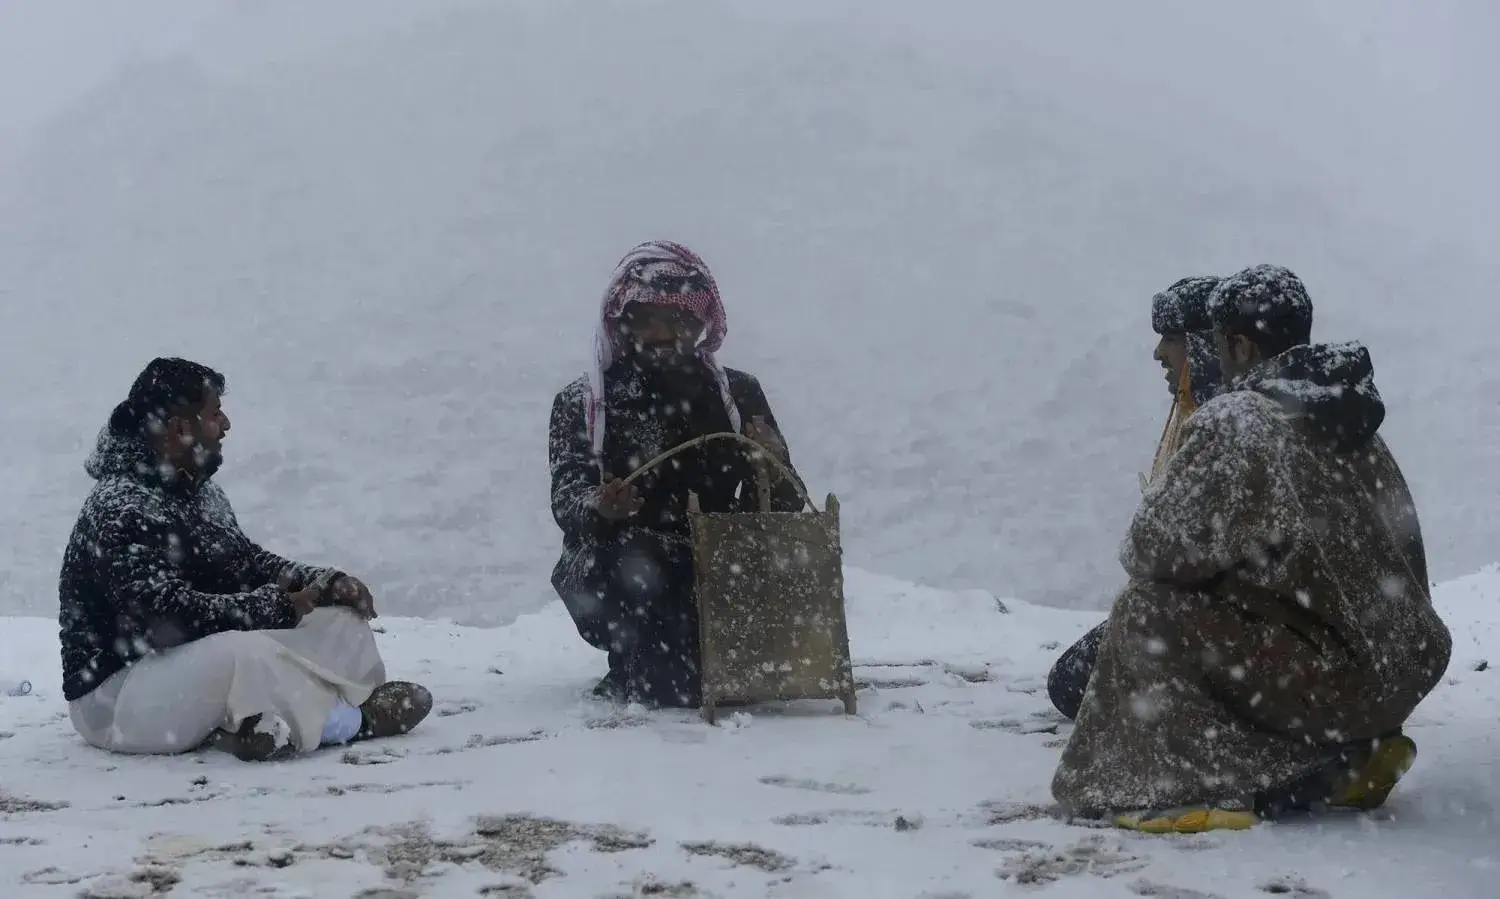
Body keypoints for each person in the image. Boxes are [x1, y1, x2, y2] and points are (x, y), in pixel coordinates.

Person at [1051, 264, 1452, 833]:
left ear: (1238, 344)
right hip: (1398, 673)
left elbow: (1150, 550)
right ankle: (1345, 755)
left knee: (1147, 610)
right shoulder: (1349, 415)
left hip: (1334, 682)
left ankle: (1183, 784)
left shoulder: (1239, 419)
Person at [59, 358, 432, 762]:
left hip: (181, 672)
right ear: (179, 429)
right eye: (214, 413)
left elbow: (244, 563)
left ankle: (252, 726)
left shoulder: (198, 490)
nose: (226, 425)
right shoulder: (120, 507)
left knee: (340, 619)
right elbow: (164, 616)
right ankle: (351, 722)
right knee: (241, 652)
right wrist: (273, 607)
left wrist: (322, 584)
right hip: (116, 697)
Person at [548, 240, 804, 708]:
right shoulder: (584, 403)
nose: (664, 334)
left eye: (679, 320)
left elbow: (781, 504)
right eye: (650, 319)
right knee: (640, 574)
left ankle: (703, 651)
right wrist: (601, 507)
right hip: (624, 571)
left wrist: (774, 463)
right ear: (623, 322)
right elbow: (567, 500)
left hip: (721, 566)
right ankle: (639, 660)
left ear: (700, 323)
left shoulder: (737, 394)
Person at [1046, 275, 1224, 721]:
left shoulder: (1221, 430)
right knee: (1074, 677)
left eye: (1171, 339)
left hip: (1219, 623)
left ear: (1202, 346)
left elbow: (1155, 552)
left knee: (1073, 683)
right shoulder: (1203, 416)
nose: (1159, 353)